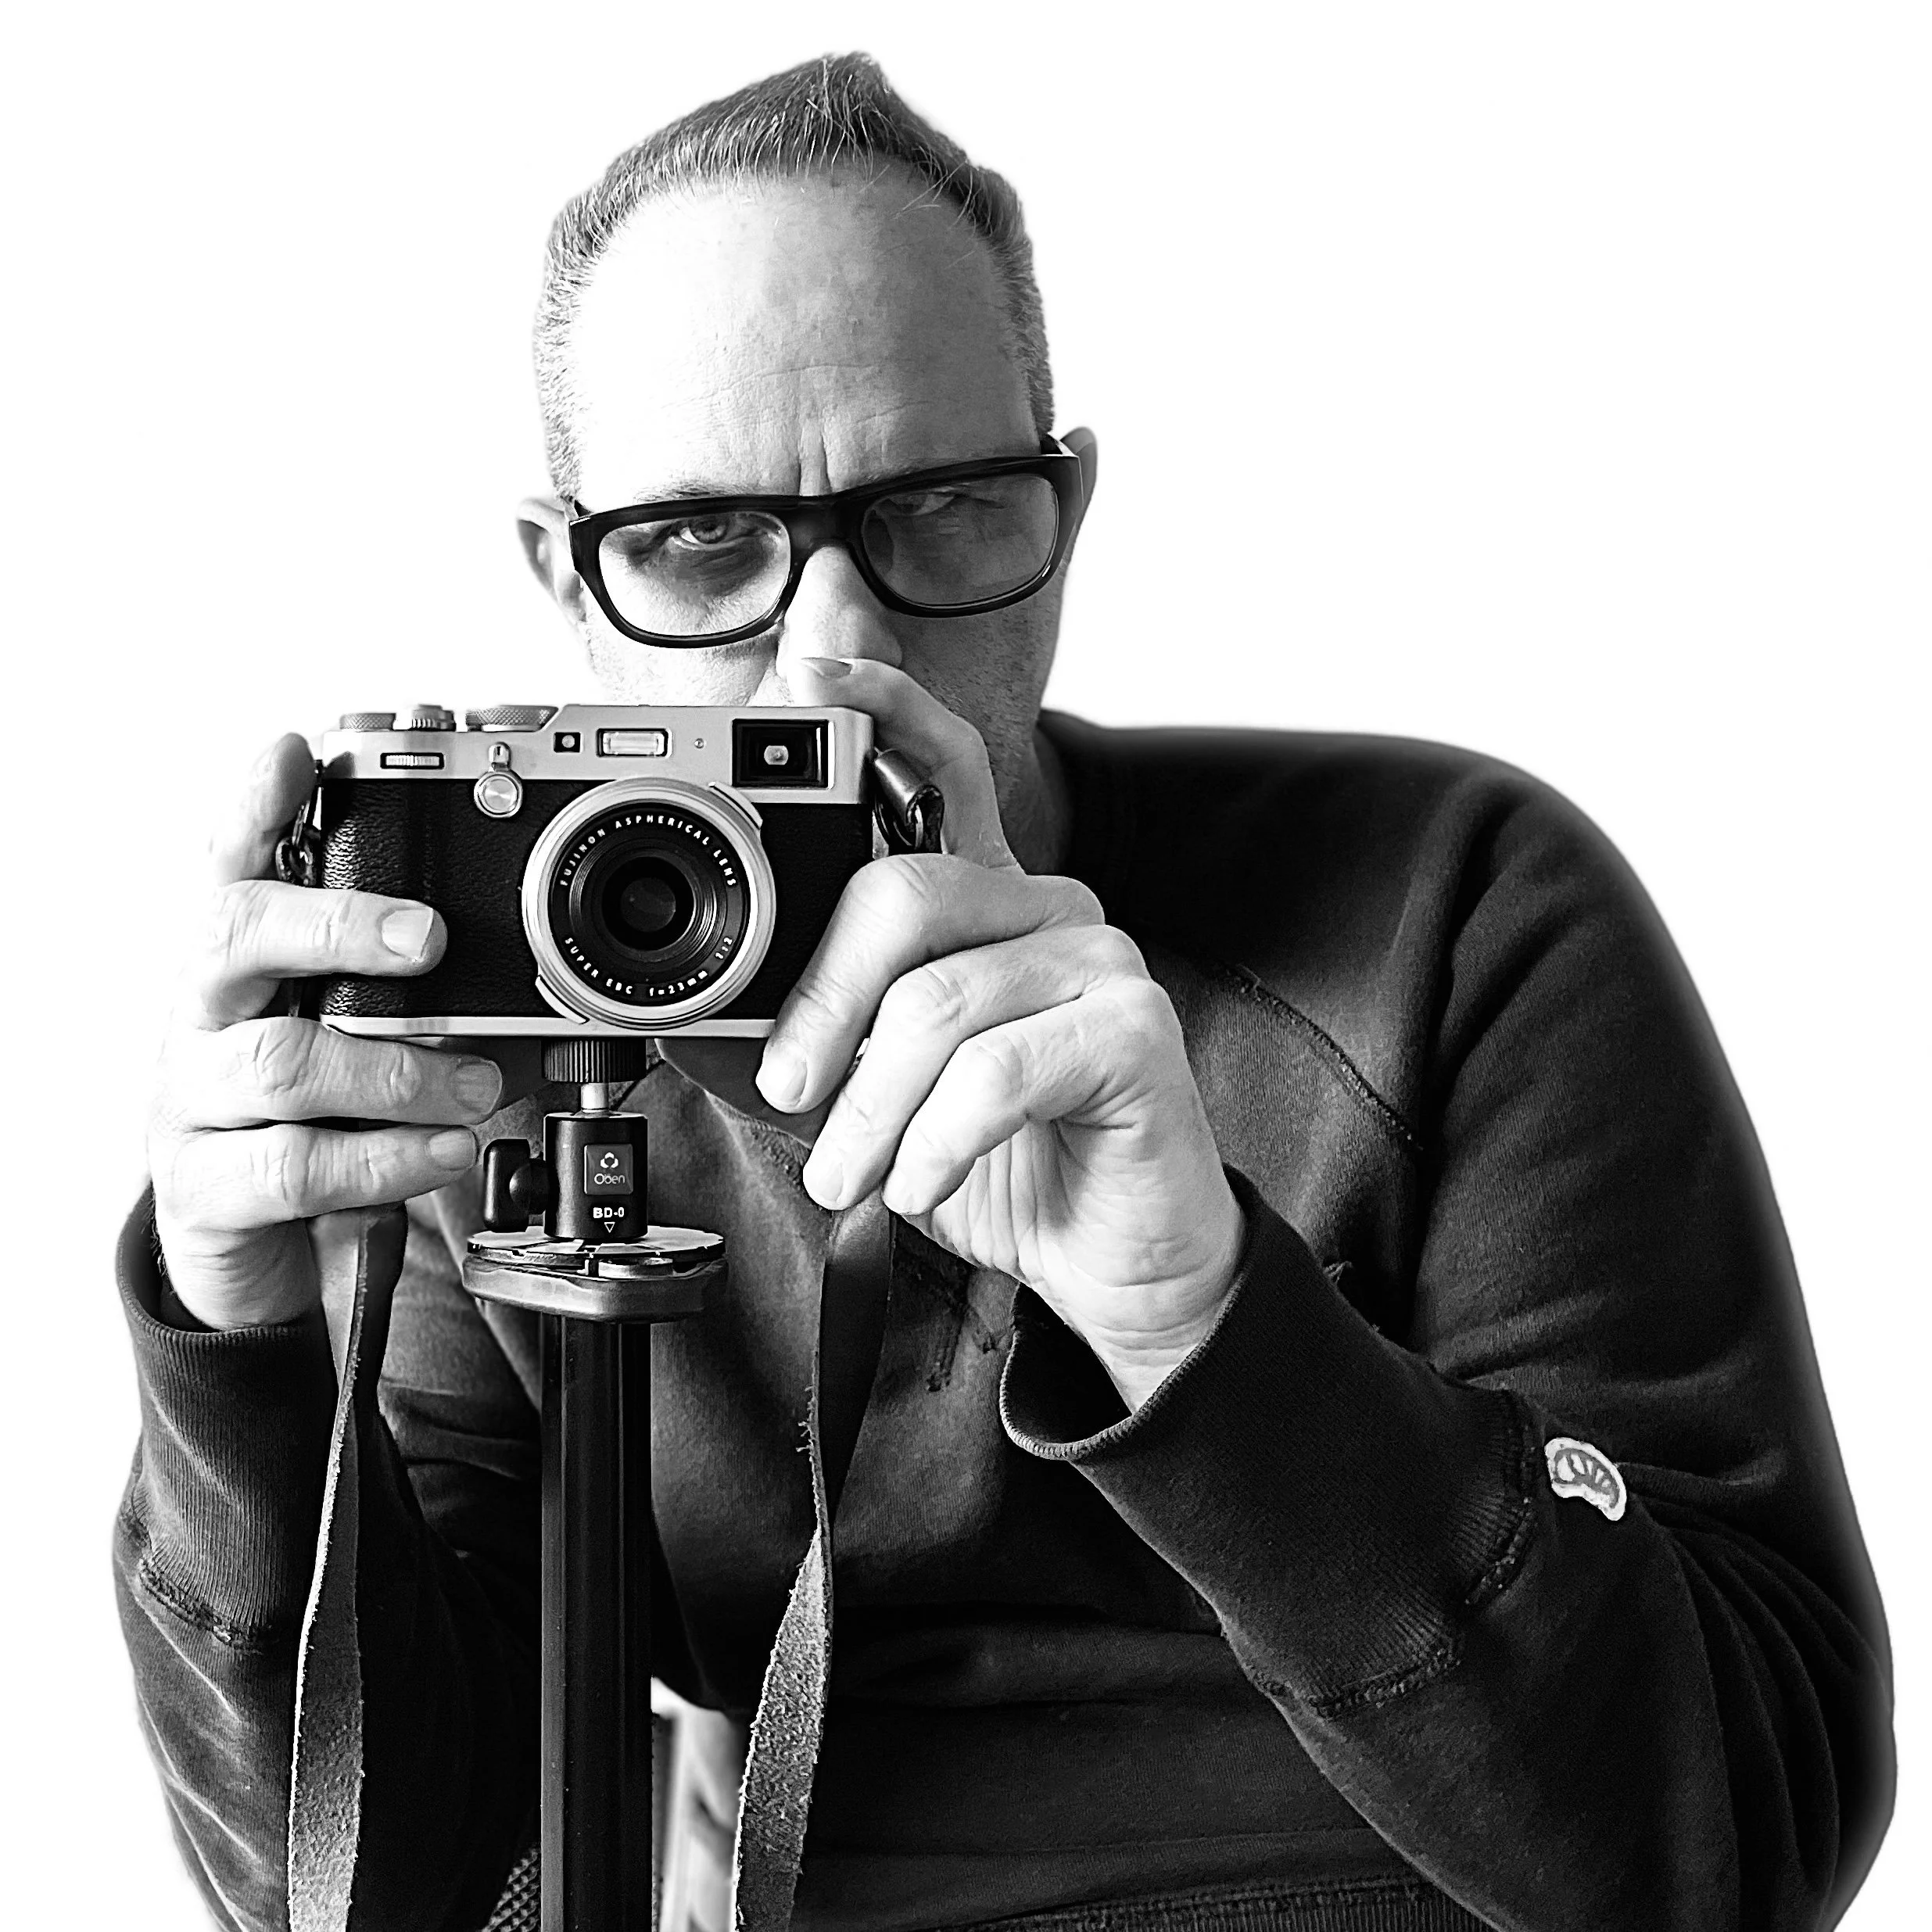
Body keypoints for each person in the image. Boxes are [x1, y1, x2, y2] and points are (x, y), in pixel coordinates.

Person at [118, 52, 1893, 1932]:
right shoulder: (509, 1070)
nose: (836, 646)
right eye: (702, 545)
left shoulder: (1447, 908)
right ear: (572, 579)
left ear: (1066, 513)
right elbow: (406, 1888)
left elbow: (1737, 1837)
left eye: (943, 508)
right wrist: (232, 1360)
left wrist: (1199, 1316)